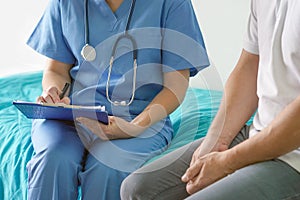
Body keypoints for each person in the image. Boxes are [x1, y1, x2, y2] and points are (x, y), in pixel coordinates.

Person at [25, 0, 210, 199]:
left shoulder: (171, 4)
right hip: (71, 115)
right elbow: (56, 70)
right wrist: (56, 93)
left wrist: (135, 126)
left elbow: (175, 88)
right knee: (53, 158)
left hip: (139, 116)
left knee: (108, 168)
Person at [120, 0, 300, 199]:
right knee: (136, 189)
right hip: (258, 133)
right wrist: (216, 139)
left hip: (295, 156)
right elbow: (249, 66)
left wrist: (227, 162)